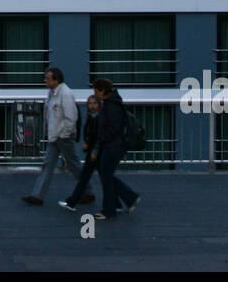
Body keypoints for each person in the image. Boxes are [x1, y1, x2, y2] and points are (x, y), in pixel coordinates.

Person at [23, 67, 93, 205]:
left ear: (57, 80)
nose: (45, 80)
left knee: (73, 165)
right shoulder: (53, 93)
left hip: (62, 136)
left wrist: (64, 134)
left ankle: (88, 191)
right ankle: (37, 196)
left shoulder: (65, 94)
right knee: (49, 165)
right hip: (55, 136)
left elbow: (71, 117)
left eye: (48, 78)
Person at [91, 77, 140, 220]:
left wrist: (102, 139)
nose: (95, 94)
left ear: (102, 90)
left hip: (112, 146)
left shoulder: (110, 106)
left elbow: (112, 128)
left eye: (96, 90)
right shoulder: (113, 103)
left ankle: (110, 209)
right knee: (107, 175)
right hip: (115, 145)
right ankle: (123, 201)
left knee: (106, 176)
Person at [58, 94, 102, 211]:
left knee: (86, 177)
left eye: (94, 103)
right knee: (101, 177)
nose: (92, 106)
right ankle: (124, 199)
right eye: (90, 104)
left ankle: (72, 202)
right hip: (93, 151)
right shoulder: (91, 116)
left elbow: (97, 136)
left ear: (99, 104)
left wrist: (92, 148)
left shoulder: (97, 117)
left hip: (95, 151)